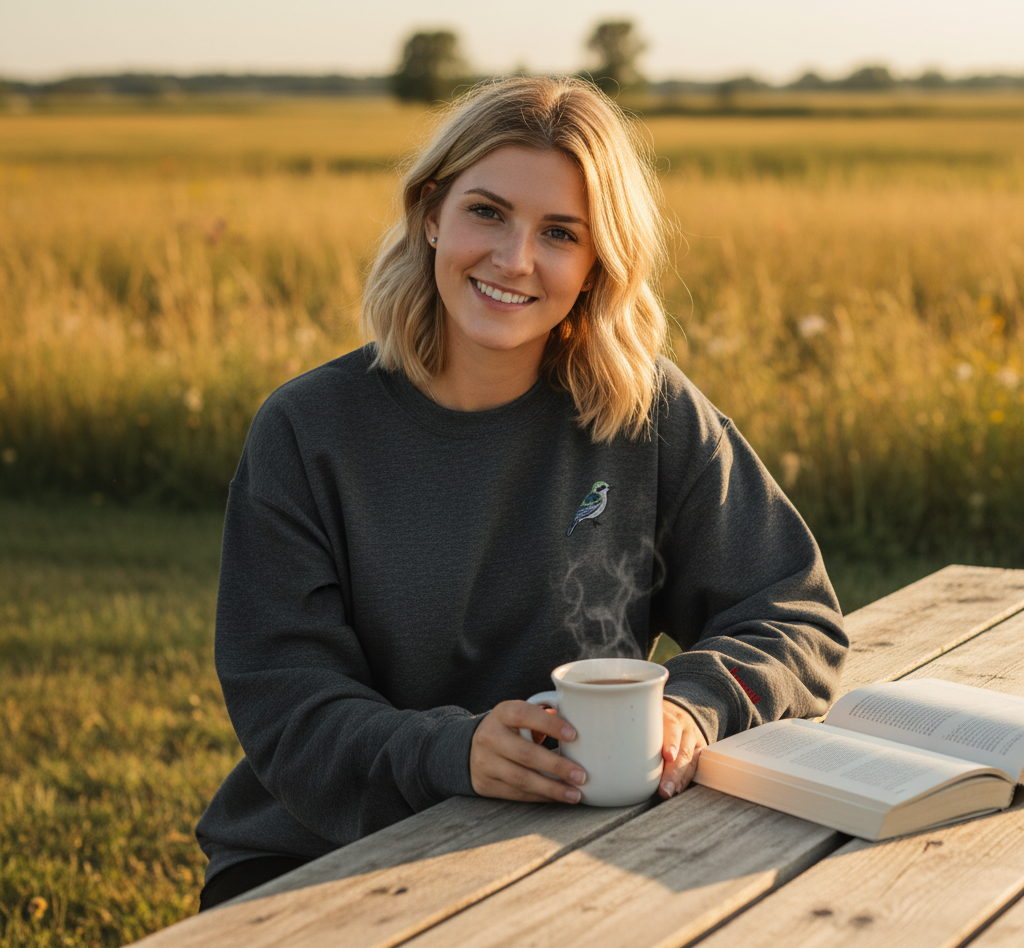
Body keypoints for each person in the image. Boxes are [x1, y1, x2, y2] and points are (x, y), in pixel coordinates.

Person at [195, 76, 848, 910]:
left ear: (597, 262)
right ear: (432, 212)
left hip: (577, 850)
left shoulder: (645, 414)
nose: (514, 259)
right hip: (323, 852)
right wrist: (455, 753)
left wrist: (693, 708)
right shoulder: (307, 430)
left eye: (560, 233)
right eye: (487, 212)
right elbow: (286, 701)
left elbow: (793, 610)